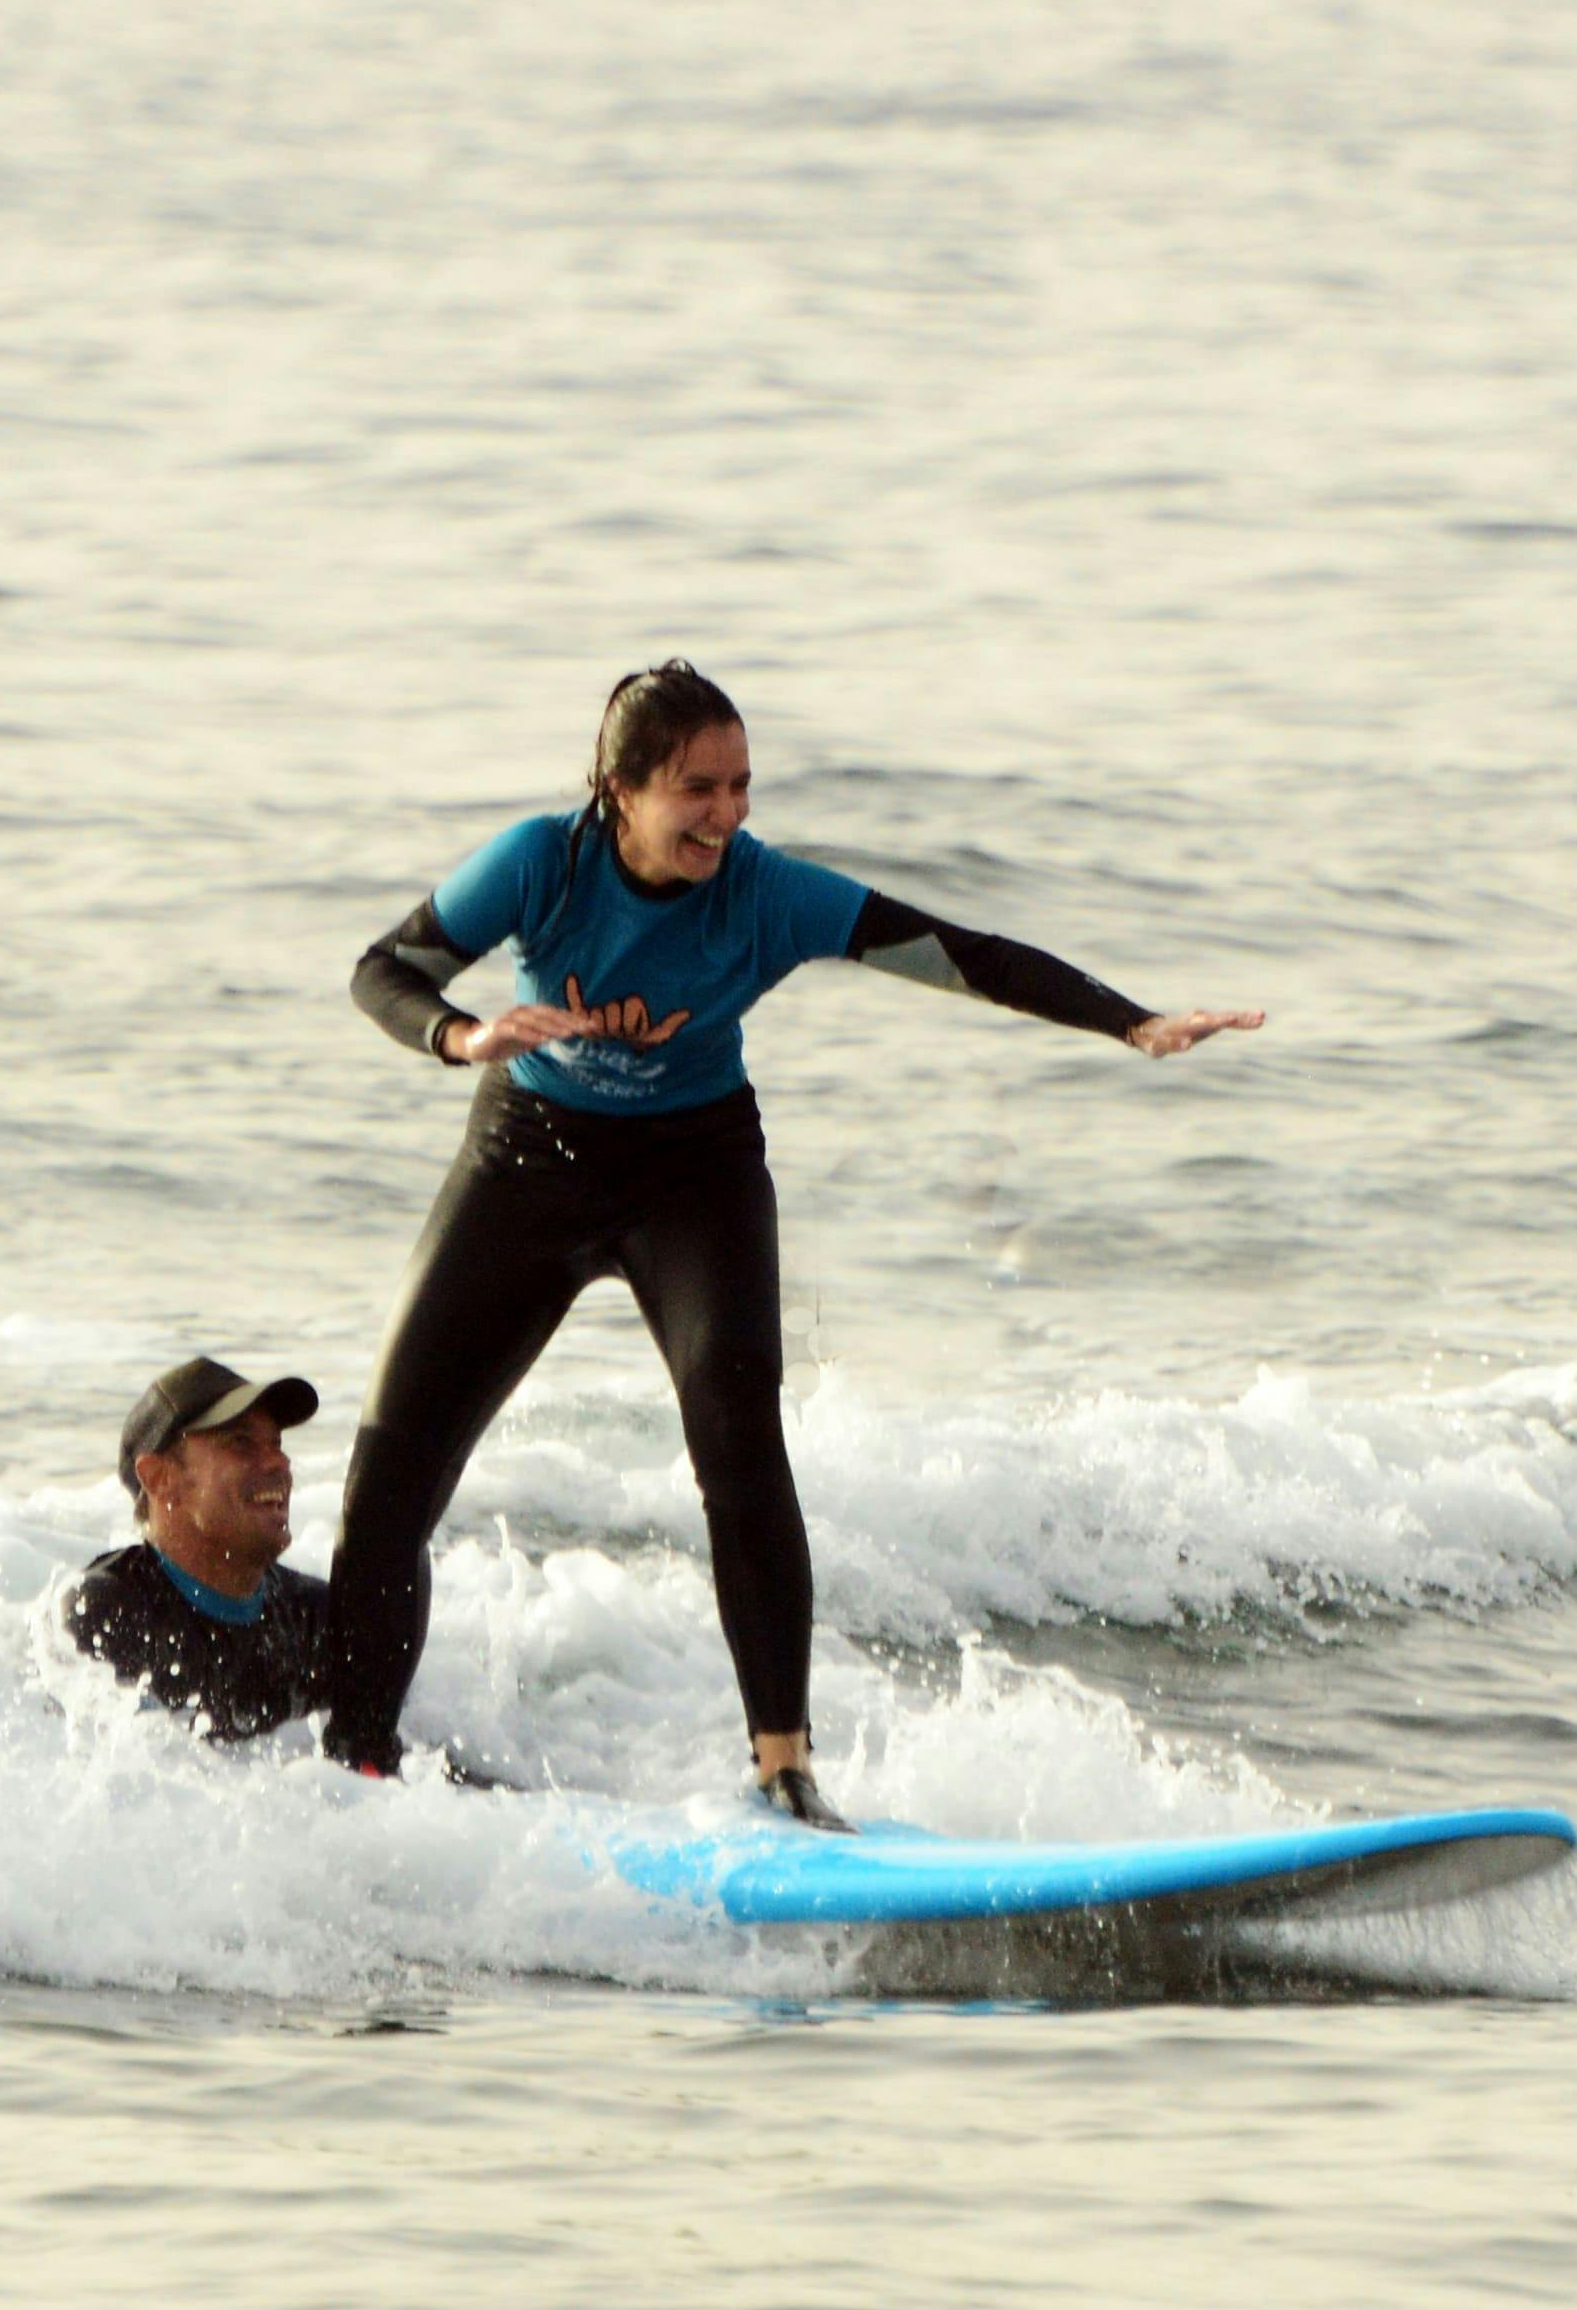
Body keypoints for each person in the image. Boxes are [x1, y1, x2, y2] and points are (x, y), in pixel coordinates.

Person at [330, 661, 1264, 1825]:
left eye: (740, 786)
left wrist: (1127, 1019)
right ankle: (355, 1760)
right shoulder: (538, 860)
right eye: (695, 789)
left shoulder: (766, 893)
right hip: (528, 1155)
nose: (725, 815)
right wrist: (460, 1034)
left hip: (692, 1169)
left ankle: (782, 1766)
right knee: (391, 1461)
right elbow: (384, 970)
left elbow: (957, 949)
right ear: (618, 789)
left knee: (737, 1428)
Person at [63, 1357, 335, 1747]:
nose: (280, 1462)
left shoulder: (313, 1616)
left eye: (276, 1443)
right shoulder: (109, 1612)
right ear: (161, 1479)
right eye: (240, 1442)